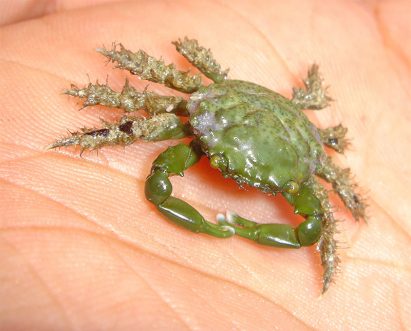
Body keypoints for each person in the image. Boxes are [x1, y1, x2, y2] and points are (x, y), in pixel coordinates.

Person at [1, 1, 410, 330]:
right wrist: (220, 227)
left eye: (265, 184)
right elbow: (156, 164)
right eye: (220, 158)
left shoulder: (315, 165)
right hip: (221, 109)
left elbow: (310, 231)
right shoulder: (190, 102)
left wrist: (246, 228)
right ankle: (74, 141)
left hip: (267, 131)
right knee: (130, 126)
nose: (232, 176)